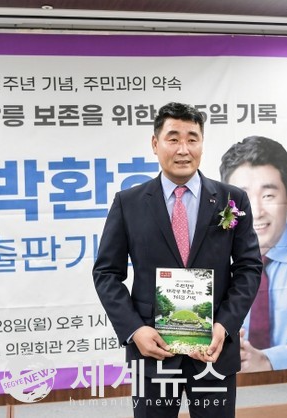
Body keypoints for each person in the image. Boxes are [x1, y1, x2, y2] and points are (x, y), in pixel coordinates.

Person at [93, 102, 262, 418]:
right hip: (153, 350)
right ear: (155, 143)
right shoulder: (129, 203)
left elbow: (249, 268)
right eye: (173, 138)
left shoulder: (232, 199)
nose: (183, 149)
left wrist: (225, 325)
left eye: (192, 139)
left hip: (213, 350)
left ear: (202, 143)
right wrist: (135, 330)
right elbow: (106, 273)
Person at [219, 135, 287, 373]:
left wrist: (267, 361)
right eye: (243, 198)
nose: (256, 212)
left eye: (268, 196)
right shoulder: (205, 255)